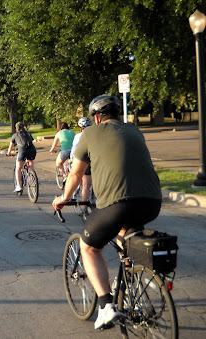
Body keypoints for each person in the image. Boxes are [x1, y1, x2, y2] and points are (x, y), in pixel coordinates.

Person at [52, 94, 162, 330]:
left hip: (117, 203)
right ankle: (135, 283)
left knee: (88, 247)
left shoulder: (90, 134)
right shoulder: (134, 131)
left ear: (96, 118)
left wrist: (63, 198)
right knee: (125, 233)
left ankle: (106, 306)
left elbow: (76, 174)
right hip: (152, 202)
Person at [70, 117, 93, 210]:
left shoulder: (79, 136)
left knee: (86, 186)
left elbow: (74, 150)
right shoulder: (96, 135)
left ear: (80, 127)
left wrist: (72, 160)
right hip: (96, 161)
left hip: (85, 161)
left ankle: (84, 208)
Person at [7, 122, 37, 193]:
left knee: (18, 168)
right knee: (30, 161)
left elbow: (11, 146)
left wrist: (9, 153)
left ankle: (19, 186)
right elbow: (31, 142)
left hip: (22, 152)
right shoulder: (29, 134)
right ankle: (32, 176)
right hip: (32, 150)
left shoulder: (15, 135)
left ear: (17, 129)